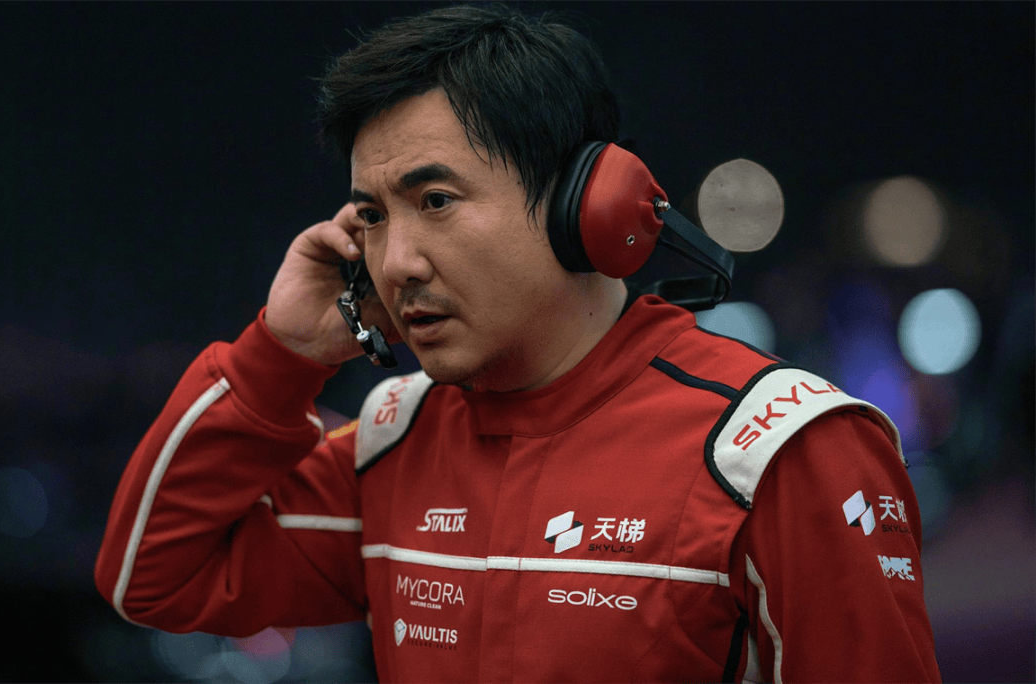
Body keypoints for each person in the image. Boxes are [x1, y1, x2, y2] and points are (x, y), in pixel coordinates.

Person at [95, 5, 941, 682]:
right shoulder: (397, 437)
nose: (396, 263)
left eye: (435, 201)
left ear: (590, 204)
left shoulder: (778, 452)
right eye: (371, 216)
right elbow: (152, 577)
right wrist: (279, 357)